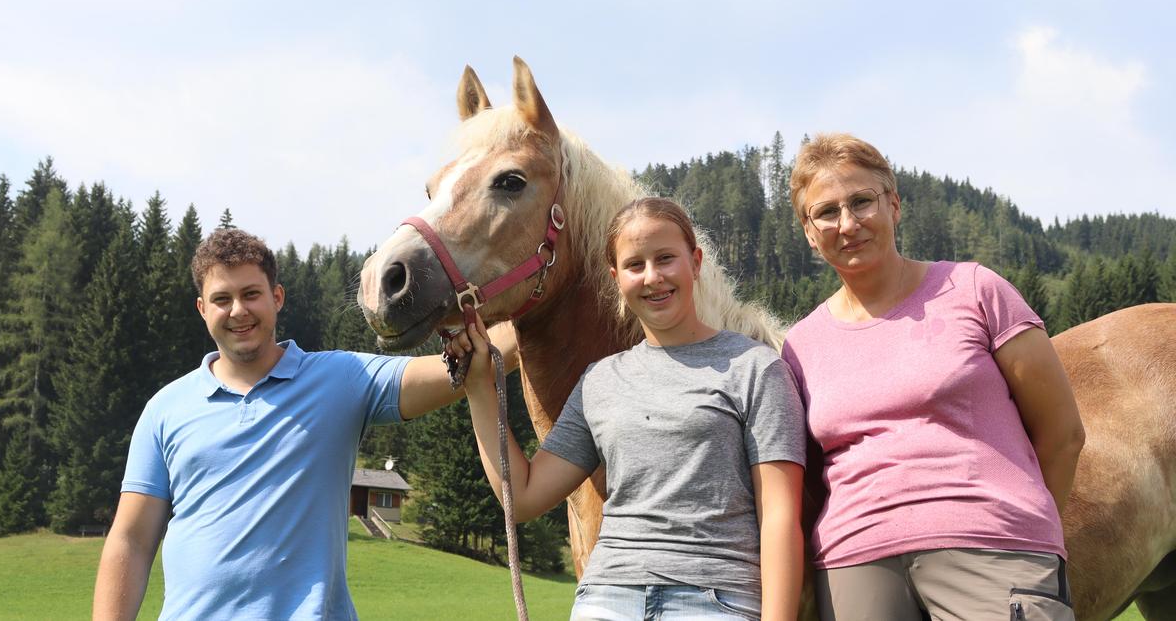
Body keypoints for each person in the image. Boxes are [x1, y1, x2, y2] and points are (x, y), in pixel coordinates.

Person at [92, 228, 516, 621]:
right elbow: (131, 540)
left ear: (277, 297)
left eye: (251, 294)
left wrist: (547, 304)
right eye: (222, 299)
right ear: (203, 309)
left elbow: (462, 367)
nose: (238, 310)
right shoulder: (166, 408)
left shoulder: (340, 379)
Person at [451, 197, 806, 621]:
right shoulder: (600, 381)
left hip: (714, 597)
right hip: (606, 597)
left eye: (665, 259)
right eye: (635, 265)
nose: (653, 277)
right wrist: (478, 388)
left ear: (695, 262)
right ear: (616, 277)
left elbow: (780, 517)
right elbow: (524, 496)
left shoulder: (756, 368)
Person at [780, 133, 1086, 621]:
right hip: (854, 559)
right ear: (809, 232)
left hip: (992, 542)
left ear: (894, 205)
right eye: (827, 212)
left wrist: (1023, 524)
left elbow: (1063, 433)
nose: (848, 223)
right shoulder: (800, 345)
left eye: (862, 202)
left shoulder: (975, 290)